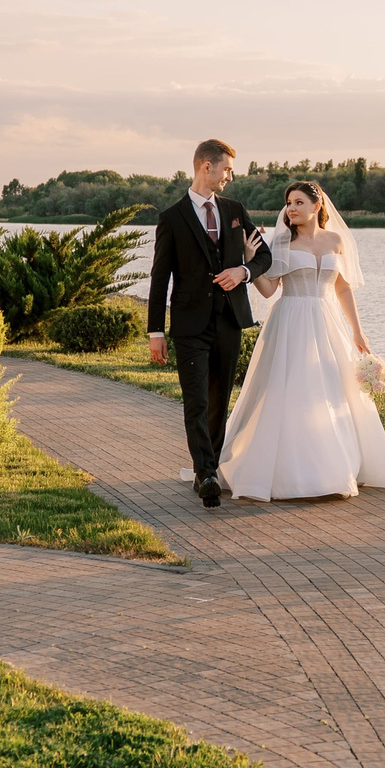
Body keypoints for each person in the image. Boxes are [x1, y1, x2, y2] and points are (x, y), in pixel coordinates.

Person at [217, 179, 385, 502]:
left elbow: (342, 288)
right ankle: (288, 472)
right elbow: (270, 290)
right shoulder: (282, 242)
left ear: (317, 207)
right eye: (289, 203)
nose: (292, 208)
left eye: (299, 202)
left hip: (327, 321)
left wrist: (358, 330)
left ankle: (335, 466)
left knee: (331, 391)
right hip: (290, 321)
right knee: (291, 390)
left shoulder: (335, 241)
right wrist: (251, 260)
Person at [148, 138, 275, 507]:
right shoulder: (172, 218)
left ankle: (211, 465)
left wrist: (244, 271)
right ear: (207, 167)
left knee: (220, 399)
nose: (230, 177)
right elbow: (159, 279)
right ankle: (205, 474)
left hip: (230, 321)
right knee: (197, 400)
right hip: (190, 324)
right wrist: (156, 331)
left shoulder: (235, 210)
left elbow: (264, 256)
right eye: (227, 170)